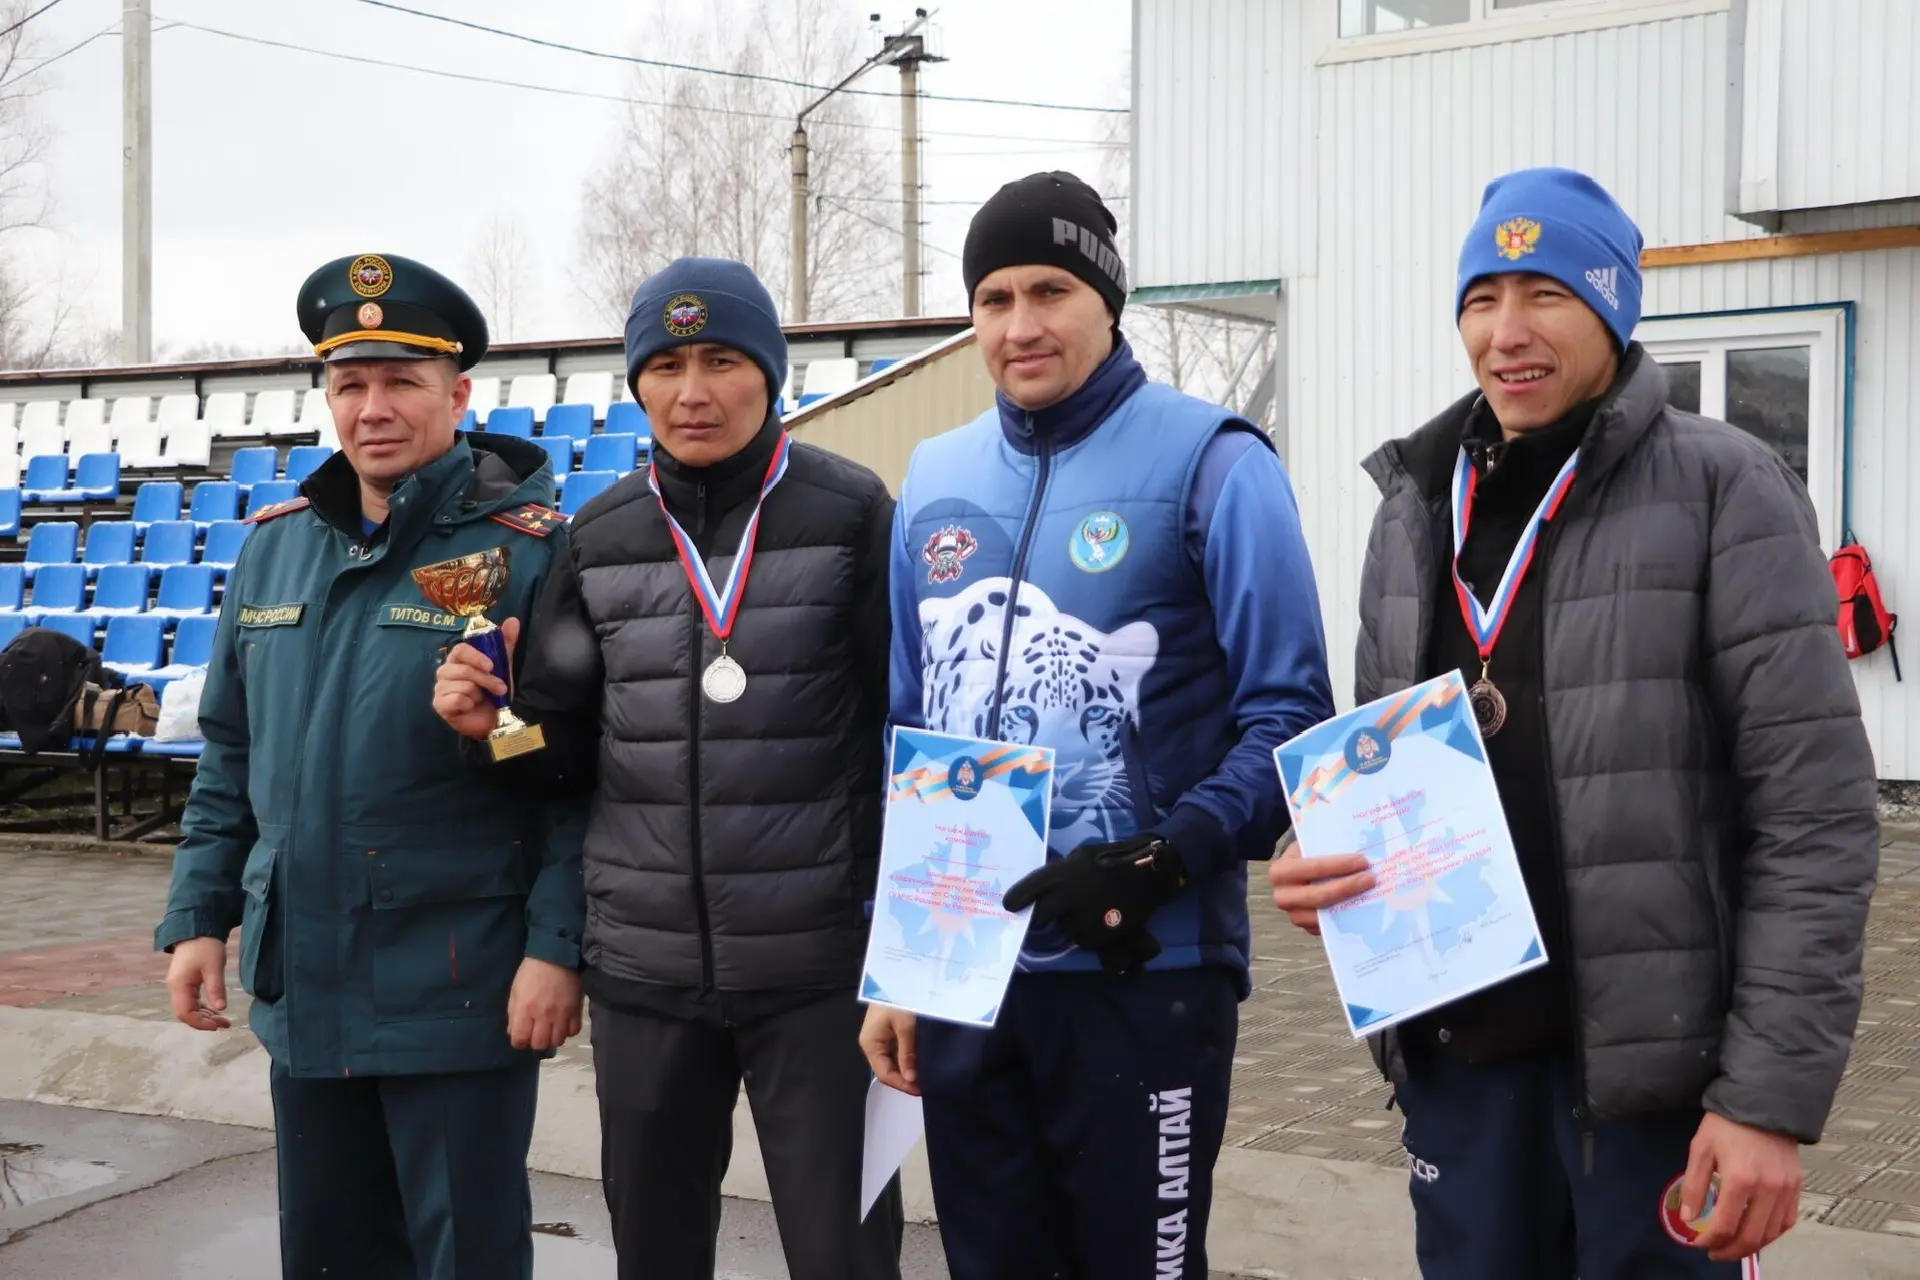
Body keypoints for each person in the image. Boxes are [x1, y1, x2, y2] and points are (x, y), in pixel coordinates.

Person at [1269, 166, 1881, 1278]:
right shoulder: (1412, 503)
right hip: (1463, 1072)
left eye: (1546, 292)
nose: (1508, 332)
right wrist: (1313, 854)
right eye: (1480, 297)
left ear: (1612, 306)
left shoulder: (1724, 488)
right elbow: (1375, 761)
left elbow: (1816, 818)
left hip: (1656, 1093)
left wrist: (1766, 1100)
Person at [861, 171, 1336, 1279]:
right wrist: (900, 967)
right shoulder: (934, 479)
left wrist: (1167, 855)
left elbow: (1289, 716)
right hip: (971, 971)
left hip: (1146, 970)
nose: (1020, 325)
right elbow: (909, 732)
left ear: (1108, 300)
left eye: (1051, 290)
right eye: (993, 298)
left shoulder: (1215, 459)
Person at [431, 257, 903, 1280]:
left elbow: (906, 733)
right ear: (638, 381)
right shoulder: (598, 538)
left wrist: (897, 951)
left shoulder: (854, 512)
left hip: (817, 971)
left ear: (770, 372)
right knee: (655, 1251)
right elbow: (556, 757)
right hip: (645, 975)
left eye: (723, 359)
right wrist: (490, 730)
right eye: (668, 363)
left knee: (846, 1255)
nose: (694, 391)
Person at [154, 253, 583, 1279]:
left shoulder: (533, 553)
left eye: (403, 381)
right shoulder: (276, 550)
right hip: (305, 980)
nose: (374, 407)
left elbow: (575, 774)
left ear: (460, 394)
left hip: (457, 986)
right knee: (332, 1256)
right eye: (351, 383)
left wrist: (557, 947)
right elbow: (231, 755)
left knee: (464, 1257)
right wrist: (197, 916)